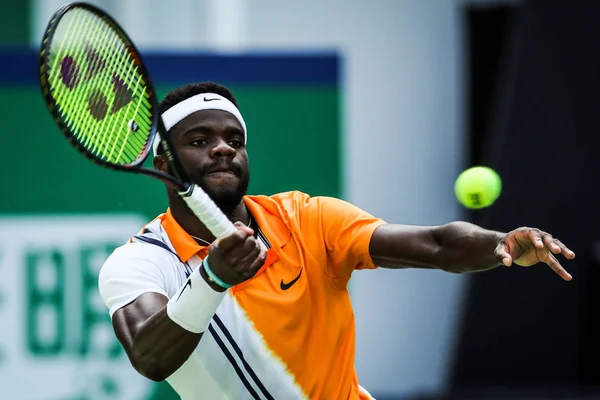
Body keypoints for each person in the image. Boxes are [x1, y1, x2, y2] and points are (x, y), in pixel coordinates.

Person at [98, 81, 575, 400]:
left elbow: (437, 244)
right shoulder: (140, 262)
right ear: (163, 163)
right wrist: (210, 280)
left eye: (234, 139)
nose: (223, 148)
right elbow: (149, 357)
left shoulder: (307, 218)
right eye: (199, 140)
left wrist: (500, 244)